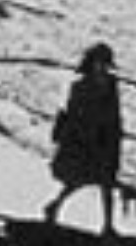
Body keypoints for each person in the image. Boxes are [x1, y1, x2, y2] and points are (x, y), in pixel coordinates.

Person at [44, 42, 125, 235]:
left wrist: (116, 132)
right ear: (91, 62)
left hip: (106, 137)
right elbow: (72, 113)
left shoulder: (112, 83)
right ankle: (55, 204)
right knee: (79, 179)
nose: (103, 67)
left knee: (107, 182)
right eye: (100, 62)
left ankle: (108, 225)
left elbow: (114, 110)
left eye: (106, 63)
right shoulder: (79, 85)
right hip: (84, 139)